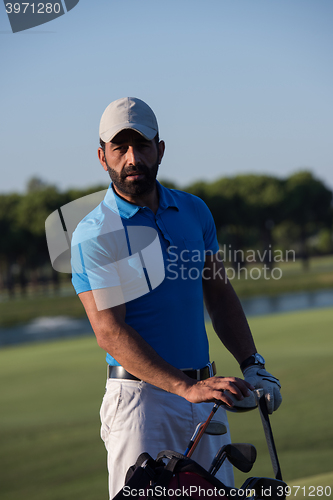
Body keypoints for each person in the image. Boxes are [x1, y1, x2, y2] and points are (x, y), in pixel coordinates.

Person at [71, 97, 282, 499]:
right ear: (103, 157)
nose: (133, 158)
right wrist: (183, 388)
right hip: (140, 404)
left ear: (160, 150)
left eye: (143, 145)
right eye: (120, 148)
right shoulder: (96, 232)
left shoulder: (193, 211)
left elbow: (219, 295)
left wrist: (253, 364)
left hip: (205, 395)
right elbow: (110, 332)